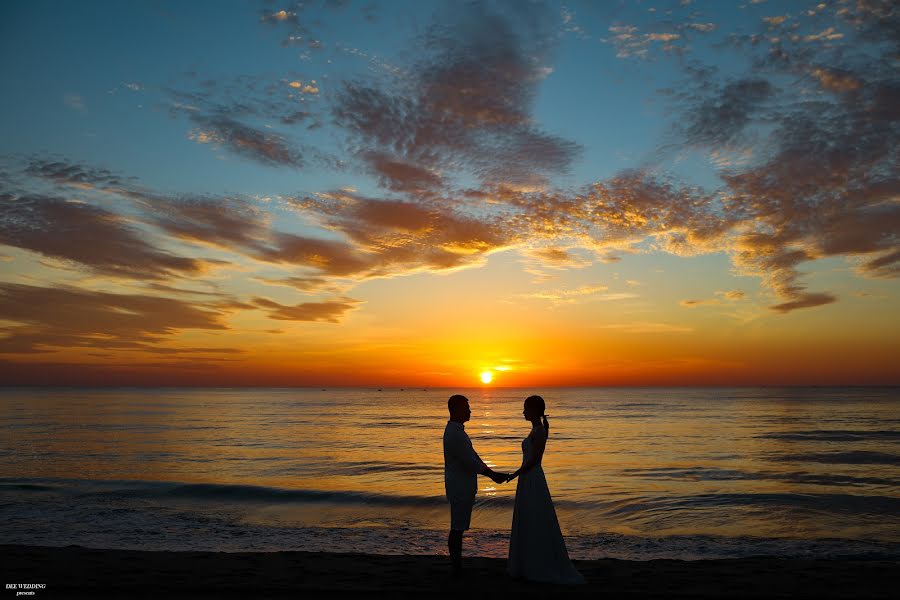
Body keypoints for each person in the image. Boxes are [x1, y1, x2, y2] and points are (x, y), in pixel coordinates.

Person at [506, 394, 585, 584]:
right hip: (527, 478)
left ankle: (538, 563)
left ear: (533, 410)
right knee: (528, 518)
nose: (523, 412)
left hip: (532, 478)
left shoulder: (539, 430)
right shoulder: (536, 430)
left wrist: (515, 474)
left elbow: (534, 460)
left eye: (525, 408)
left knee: (535, 517)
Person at [443, 394, 509, 577]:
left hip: (462, 485)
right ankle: (456, 567)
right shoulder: (455, 434)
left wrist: (492, 472)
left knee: (459, 526)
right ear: (456, 410)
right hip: (459, 486)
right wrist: (492, 475)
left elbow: (473, 456)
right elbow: (470, 462)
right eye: (466, 408)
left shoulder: (458, 431)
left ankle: (457, 566)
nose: (470, 411)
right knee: (457, 527)